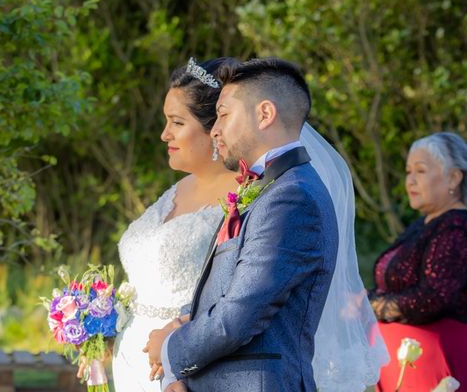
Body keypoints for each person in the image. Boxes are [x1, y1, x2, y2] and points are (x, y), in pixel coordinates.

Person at [144, 57, 339, 392]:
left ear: (264, 114)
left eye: (224, 114)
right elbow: (221, 294)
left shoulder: (292, 198)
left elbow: (239, 315)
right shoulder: (267, 188)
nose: (215, 129)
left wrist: (170, 350)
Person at [112, 57, 239, 392]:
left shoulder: (243, 197)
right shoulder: (176, 190)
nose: (164, 133)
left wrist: (183, 366)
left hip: (184, 371)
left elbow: (237, 298)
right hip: (128, 363)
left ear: (214, 128)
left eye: (176, 123)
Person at [369, 132, 467, 392]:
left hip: (436, 363)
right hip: (403, 365)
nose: (410, 181)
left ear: (453, 177)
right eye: (408, 171)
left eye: (421, 171)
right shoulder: (426, 223)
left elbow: (433, 297)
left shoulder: (458, 227)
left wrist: (374, 306)